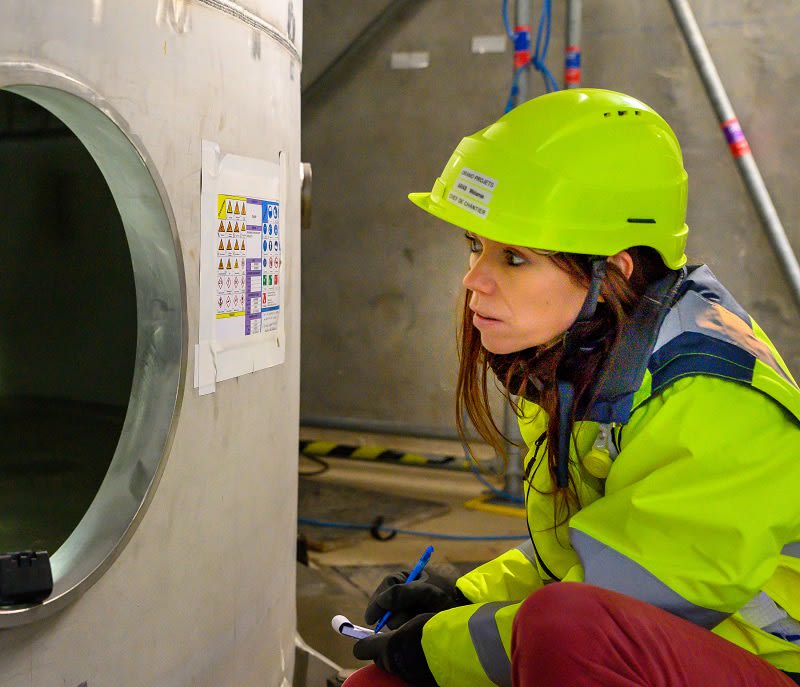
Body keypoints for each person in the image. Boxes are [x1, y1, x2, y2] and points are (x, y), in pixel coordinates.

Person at [340, 88, 800, 687]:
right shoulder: (594, 365)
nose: (473, 280)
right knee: (377, 685)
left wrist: (432, 643)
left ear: (613, 271)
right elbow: (588, 555)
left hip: (774, 666)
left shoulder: (712, 398)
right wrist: (458, 597)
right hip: (673, 645)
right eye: (477, 247)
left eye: (515, 259)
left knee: (560, 630)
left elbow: (601, 616)